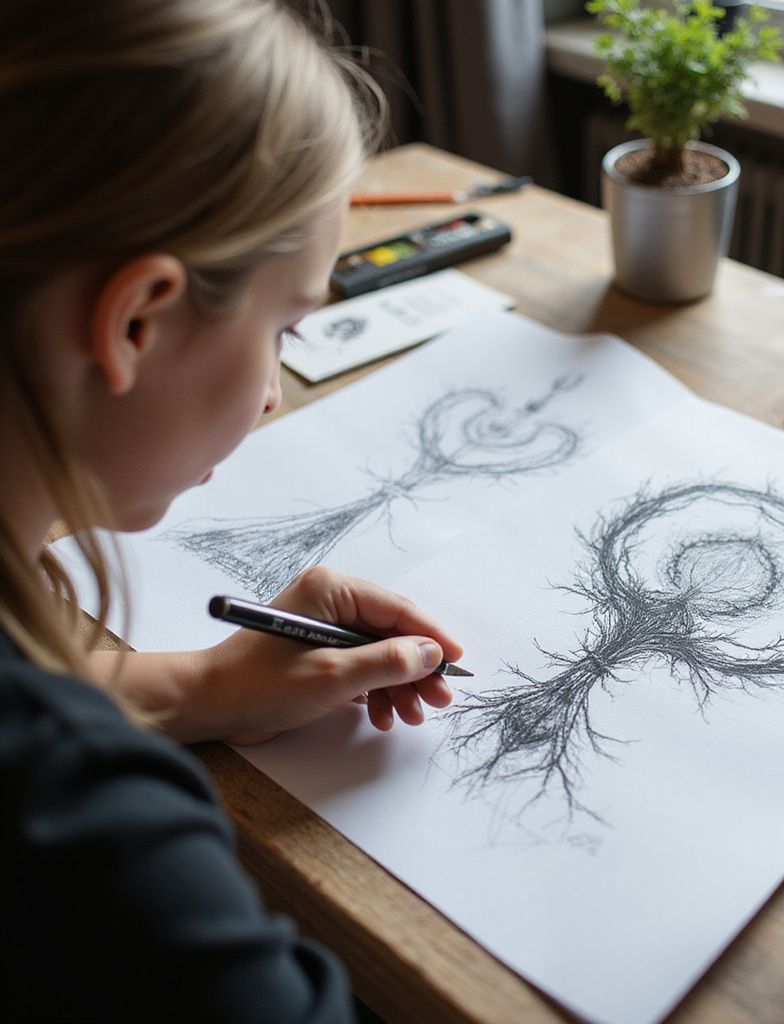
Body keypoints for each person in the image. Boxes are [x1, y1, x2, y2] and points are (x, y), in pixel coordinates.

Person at [0, 1, 462, 1020]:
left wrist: (206, 684)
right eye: (284, 327)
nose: (274, 395)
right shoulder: (95, 832)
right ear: (135, 321)